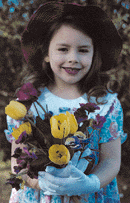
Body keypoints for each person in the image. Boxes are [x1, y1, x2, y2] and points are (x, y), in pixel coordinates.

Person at [4, 2, 127, 203]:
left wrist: (92, 183)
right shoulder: (27, 105)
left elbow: (111, 160)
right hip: (38, 196)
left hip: (89, 196)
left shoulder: (106, 105)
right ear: (46, 53)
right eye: (63, 49)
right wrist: (40, 183)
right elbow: (19, 157)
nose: (73, 58)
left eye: (83, 50)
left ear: (94, 53)